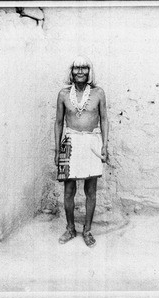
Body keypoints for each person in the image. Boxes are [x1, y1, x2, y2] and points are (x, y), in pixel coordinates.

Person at [54, 55, 109, 247]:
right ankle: (70, 229)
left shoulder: (99, 93)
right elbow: (59, 122)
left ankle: (87, 230)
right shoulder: (63, 94)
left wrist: (104, 145)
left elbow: (104, 119)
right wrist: (57, 148)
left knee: (90, 190)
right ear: (71, 71)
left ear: (89, 71)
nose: (80, 72)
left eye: (84, 68)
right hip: (70, 143)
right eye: (76, 68)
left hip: (92, 142)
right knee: (69, 190)